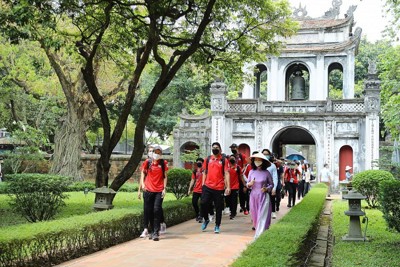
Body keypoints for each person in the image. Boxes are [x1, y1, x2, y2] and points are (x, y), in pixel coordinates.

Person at [138, 146, 168, 241]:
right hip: (148, 190)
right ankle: (151, 231)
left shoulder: (163, 163)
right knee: (149, 211)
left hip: (159, 190)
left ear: (161, 154)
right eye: (156, 152)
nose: (157, 154)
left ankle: (156, 232)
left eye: (159, 153)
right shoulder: (148, 162)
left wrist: (164, 188)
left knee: (156, 209)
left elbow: (165, 176)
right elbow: (143, 173)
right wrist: (142, 184)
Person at [201, 142, 230, 234]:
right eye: (213, 147)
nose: (215, 149)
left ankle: (217, 225)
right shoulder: (208, 159)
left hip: (219, 187)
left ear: (220, 149)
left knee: (218, 207)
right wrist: (203, 184)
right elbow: (204, 172)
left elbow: (226, 173)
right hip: (208, 186)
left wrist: (228, 186)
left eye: (217, 147)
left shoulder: (224, 160)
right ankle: (206, 219)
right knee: (203, 203)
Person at [246, 152, 274, 239]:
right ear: (253, 161)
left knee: (262, 215)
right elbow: (248, 184)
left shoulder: (266, 173)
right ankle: (258, 230)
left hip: (263, 197)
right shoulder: (251, 172)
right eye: (256, 160)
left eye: (259, 160)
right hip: (253, 196)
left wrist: (267, 189)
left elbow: (271, 184)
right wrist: (249, 184)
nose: (257, 161)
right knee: (254, 215)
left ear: (263, 161)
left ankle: (259, 235)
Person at [262, 149, 278, 219]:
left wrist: (274, 188)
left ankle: (273, 212)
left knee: (272, 199)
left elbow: (275, 177)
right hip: (261, 186)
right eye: (264, 154)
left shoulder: (272, 166)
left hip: (270, 185)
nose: (265, 156)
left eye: (267, 154)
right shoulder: (259, 165)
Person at [226, 154, 243, 220]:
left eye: (233, 158)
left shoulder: (238, 167)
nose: (232, 159)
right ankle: (231, 210)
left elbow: (241, 177)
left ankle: (233, 213)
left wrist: (244, 185)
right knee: (228, 200)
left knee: (234, 200)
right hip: (228, 186)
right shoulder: (227, 167)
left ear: (235, 159)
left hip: (235, 186)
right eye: (231, 158)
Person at [188, 158, 205, 222]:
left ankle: (201, 216)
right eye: (197, 161)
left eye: (200, 161)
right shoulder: (195, 171)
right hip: (196, 190)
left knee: (202, 203)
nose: (199, 162)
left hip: (203, 190)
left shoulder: (205, 170)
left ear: (203, 163)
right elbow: (192, 180)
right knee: (194, 202)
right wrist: (190, 189)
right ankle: (197, 214)